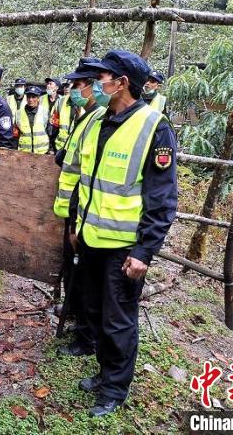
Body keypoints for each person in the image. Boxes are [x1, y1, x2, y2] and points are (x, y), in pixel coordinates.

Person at [68, 50, 177, 416]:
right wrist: (75, 226)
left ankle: (114, 389)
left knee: (118, 321)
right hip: (91, 239)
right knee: (95, 310)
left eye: (102, 78)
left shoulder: (153, 126)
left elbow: (161, 199)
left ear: (121, 83)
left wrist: (144, 251)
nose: (97, 84)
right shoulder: (100, 119)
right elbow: (87, 182)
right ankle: (103, 375)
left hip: (124, 247)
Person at [53, 59, 105, 358]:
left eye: (77, 85)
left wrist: (77, 217)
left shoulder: (99, 117)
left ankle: (86, 336)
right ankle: (75, 315)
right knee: (75, 268)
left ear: (91, 86)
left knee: (86, 274)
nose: (73, 90)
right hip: (74, 206)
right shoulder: (86, 116)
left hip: (84, 207)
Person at [52, 59, 100, 151]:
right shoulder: (76, 107)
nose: (72, 89)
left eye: (77, 85)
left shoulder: (101, 116)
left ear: (93, 86)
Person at [16, 84, 50, 154]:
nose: (30, 100)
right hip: (24, 152)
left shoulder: (45, 112)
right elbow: (15, 134)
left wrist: (51, 149)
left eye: (33, 97)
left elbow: (51, 132)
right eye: (28, 97)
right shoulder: (18, 113)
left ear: (38, 98)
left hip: (42, 153)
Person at [43, 78, 61, 153]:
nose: (48, 86)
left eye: (50, 84)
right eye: (47, 84)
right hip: (43, 134)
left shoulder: (62, 100)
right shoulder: (41, 99)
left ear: (56, 87)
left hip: (56, 134)